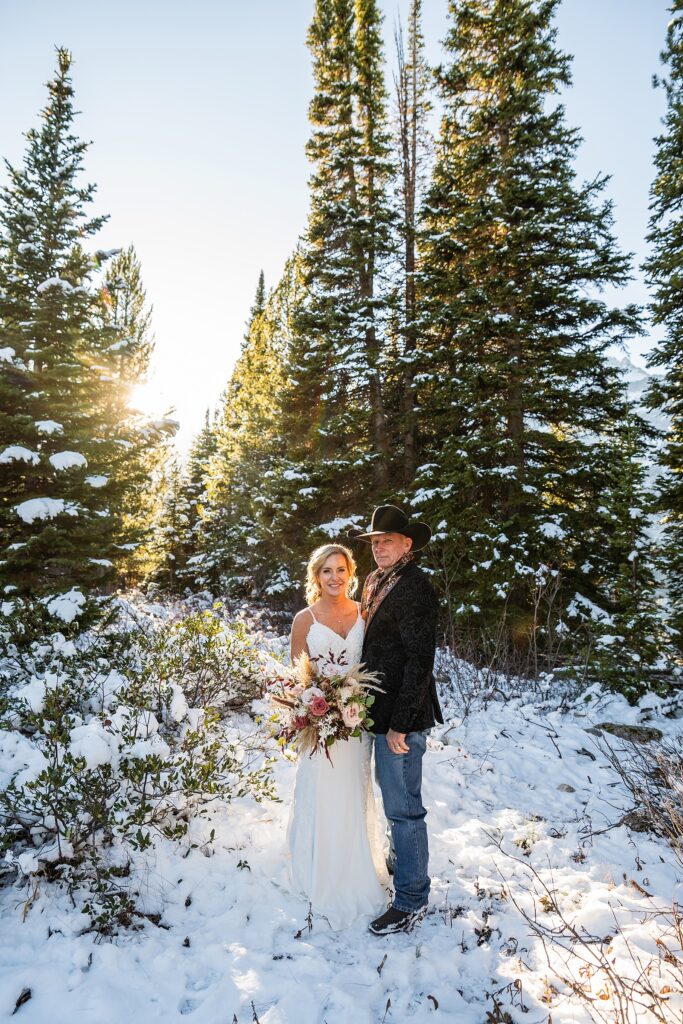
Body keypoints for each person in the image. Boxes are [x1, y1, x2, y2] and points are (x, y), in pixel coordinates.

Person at [349, 504, 442, 936]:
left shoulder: (416, 587)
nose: (379, 547)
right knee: (392, 802)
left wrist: (401, 723)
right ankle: (400, 864)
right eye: (375, 541)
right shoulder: (375, 580)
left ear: (407, 544)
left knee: (404, 810)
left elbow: (421, 661)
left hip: (402, 718)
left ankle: (411, 899)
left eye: (387, 540)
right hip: (377, 711)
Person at [287, 543, 389, 929]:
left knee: (351, 794)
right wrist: (317, 708)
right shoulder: (305, 620)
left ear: (351, 573)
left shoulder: (364, 613)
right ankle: (318, 868)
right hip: (321, 727)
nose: (335, 577)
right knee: (322, 792)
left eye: (341, 569)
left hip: (357, 723)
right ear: (316, 576)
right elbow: (296, 679)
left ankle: (353, 866)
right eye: (327, 571)